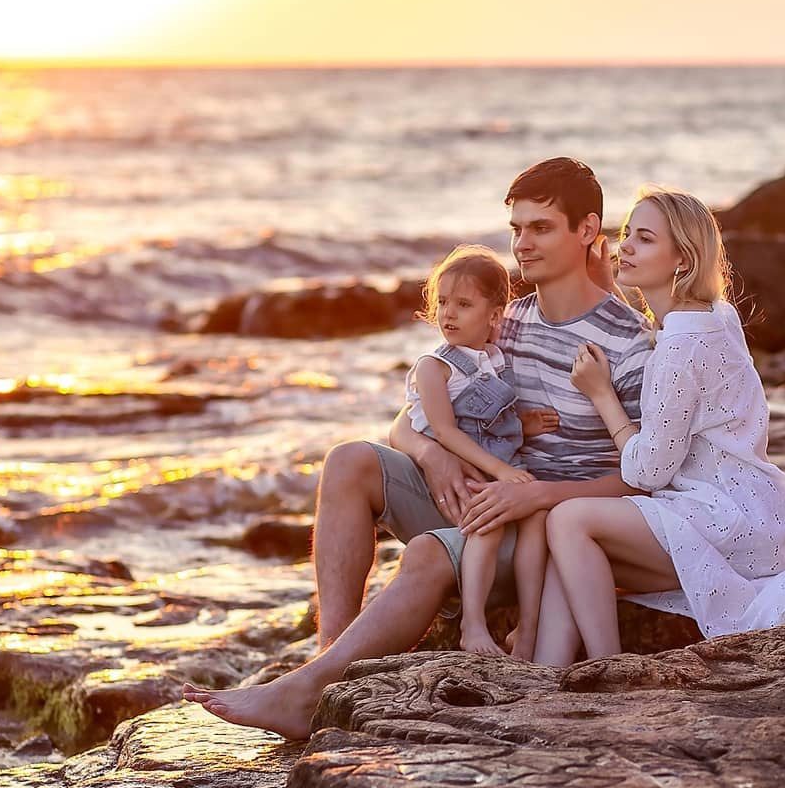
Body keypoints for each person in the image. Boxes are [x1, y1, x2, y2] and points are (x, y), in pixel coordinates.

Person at [182, 156, 652, 737]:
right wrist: (433, 456)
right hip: (474, 496)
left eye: (541, 228)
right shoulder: (502, 322)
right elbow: (412, 419)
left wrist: (537, 496)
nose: (522, 244)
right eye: (516, 229)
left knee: (428, 551)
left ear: (588, 231)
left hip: (544, 531)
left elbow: (645, 477)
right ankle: (331, 665)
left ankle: (308, 692)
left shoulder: (628, 342)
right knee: (349, 460)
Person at [532, 185, 785, 667]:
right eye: (627, 234)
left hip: (728, 523)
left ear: (682, 258)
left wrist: (601, 395)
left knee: (568, 520)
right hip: (756, 518)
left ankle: (608, 664)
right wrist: (612, 292)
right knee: (571, 550)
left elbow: (648, 473)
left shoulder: (680, 350)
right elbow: (659, 333)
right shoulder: (716, 315)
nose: (625, 247)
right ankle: (544, 668)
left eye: (645, 239)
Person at [402, 244, 547, 657]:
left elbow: (493, 420)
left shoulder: (495, 359)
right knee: (489, 522)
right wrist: (499, 472)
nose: (448, 314)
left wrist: (524, 424)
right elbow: (446, 432)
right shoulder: (434, 367)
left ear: (494, 316)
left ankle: (528, 625)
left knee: (538, 516)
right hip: (462, 471)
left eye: (463, 305)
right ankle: (473, 623)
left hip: (496, 464)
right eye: (442, 302)